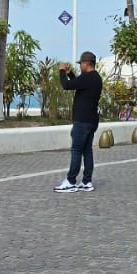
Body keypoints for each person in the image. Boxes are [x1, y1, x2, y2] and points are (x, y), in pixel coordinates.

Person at [54, 51, 103, 193]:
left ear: (86, 64)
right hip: (91, 120)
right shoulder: (95, 78)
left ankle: (70, 181)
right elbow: (77, 83)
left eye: (81, 63)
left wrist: (62, 71)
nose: (80, 66)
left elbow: (66, 86)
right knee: (87, 151)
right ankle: (87, 181)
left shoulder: (88, 77)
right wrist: (70, 74)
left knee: (76, 150)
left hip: (82, 121)